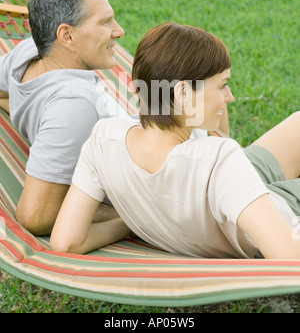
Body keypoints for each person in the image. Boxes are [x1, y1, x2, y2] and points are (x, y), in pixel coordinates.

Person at [50, 22, 300, 259]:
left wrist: (129, 223)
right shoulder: (218, 160)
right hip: (277, 215)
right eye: (223, 85)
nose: (230, 96)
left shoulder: (103, 139)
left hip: (235, 192)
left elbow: (66, 242)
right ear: (182, 92)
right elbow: (287, 256)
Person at [0, 0, 128, 235]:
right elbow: (35, 217)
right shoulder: (73, 103)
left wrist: (40, 123)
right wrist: (133, 219)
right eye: (105, 23)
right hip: (181, 183)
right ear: (66, 36)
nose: (119, 31)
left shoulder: (27, 52)